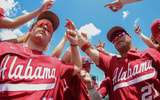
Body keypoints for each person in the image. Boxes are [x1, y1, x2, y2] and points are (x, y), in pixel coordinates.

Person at [65, 19, 160, 99]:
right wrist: (76, 32)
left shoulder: (150, 53)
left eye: (120, 34)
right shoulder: (111, 63)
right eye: (114, 39)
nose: (117, 38)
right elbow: (90, 50)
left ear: (130, 37)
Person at [0, 11, 82, 100]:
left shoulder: (55, 63)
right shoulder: (4, 48)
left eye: (49, 27)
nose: (45, 26)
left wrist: (74, 43)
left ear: (50, 39)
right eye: (40, 24)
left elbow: (77, 67)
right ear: (30, 30)